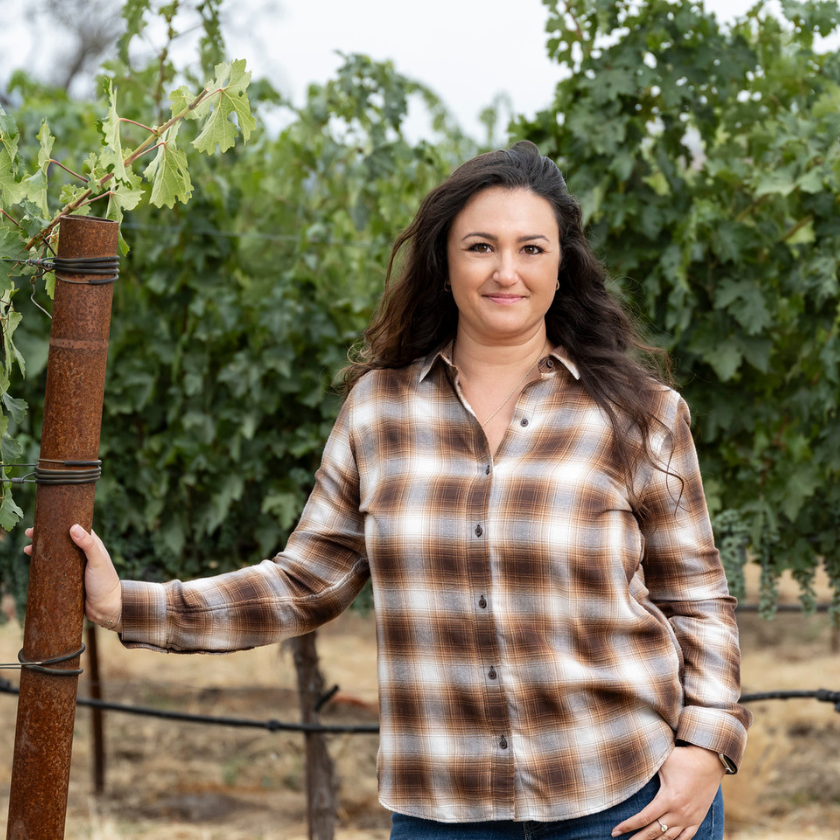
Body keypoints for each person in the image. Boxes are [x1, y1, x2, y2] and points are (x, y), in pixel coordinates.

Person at [27, 141, 751, 840]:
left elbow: (697, 599)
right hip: (444, 811)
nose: (507, 271)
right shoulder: (381, 409)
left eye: (532, 248)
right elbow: (306, 582)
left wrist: (705, 748)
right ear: (443, 263)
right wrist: (129, 605)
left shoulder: (640, 413)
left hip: (626, 799)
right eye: (480, 247)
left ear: (564, 266)